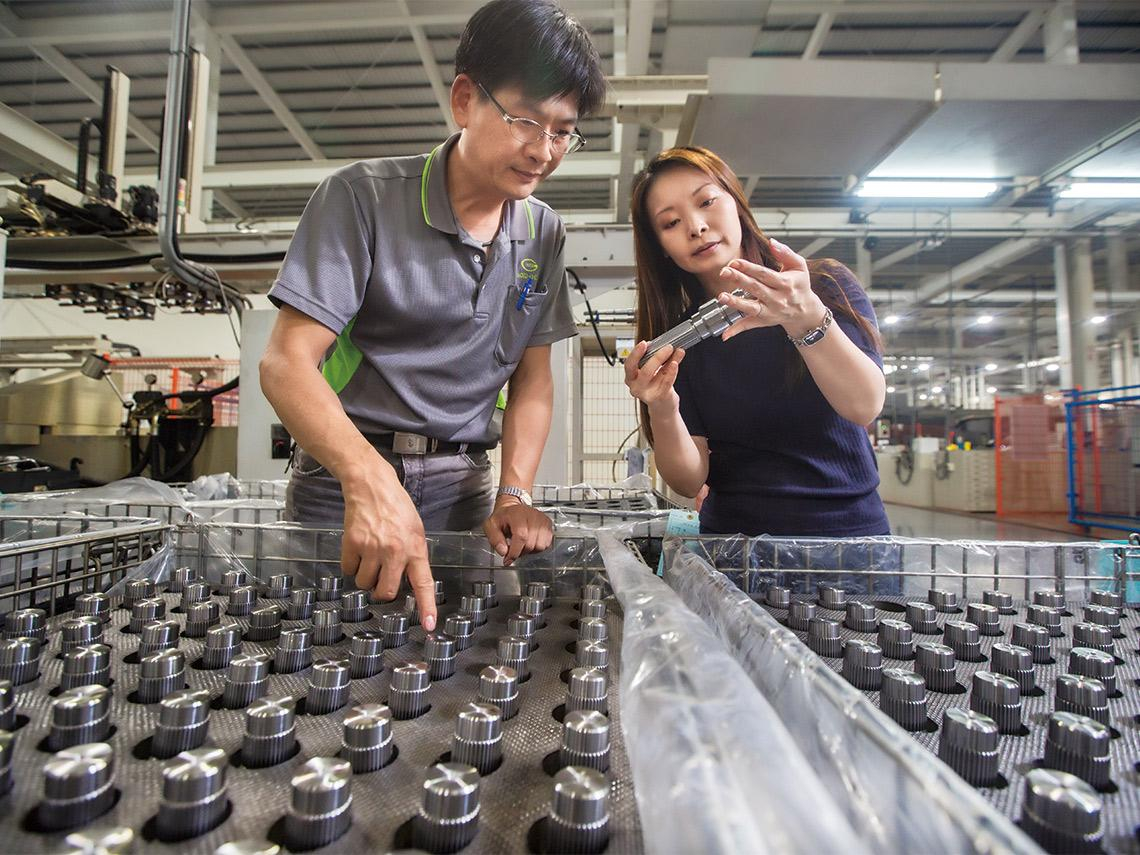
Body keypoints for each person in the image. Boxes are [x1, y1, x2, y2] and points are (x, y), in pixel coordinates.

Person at [259, 0, 605, 630]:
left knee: (453, 658)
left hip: (462, 486)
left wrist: (516, 491)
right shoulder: (361, 198)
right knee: (322, 650)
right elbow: (286, 363)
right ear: (465, 99)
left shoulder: (543, 232)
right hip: (344, 479)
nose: (544, 150)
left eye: (563, 131)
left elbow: (531, 378)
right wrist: (367, 479)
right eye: (527, 120)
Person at [624, 146, 890, 541]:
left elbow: (864, 405)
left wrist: (805, 319)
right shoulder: (683, 340)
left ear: (736, 202)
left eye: (707, 201)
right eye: (671, 222)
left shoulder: (822, 289)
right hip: (735, 549)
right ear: (661, 246)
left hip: (851, 539)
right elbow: (687, 479)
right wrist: (662, 406)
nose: (696, 226)